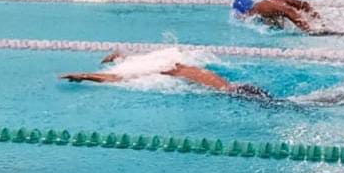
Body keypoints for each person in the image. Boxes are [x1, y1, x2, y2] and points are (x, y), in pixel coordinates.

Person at [60, 50, 273, 100]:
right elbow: (137, 62)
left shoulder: (164, 70)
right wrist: (119, 56)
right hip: (234, 86)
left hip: (230, 92)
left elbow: (117, 78)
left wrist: (85, 76)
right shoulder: (174, 62)